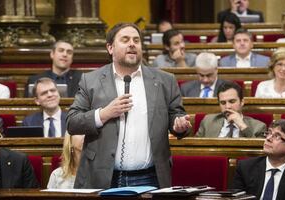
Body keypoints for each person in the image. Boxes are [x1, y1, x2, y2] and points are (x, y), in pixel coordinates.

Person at [66, 23, 192, 189]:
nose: (132, 44)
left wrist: (179, 125)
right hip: (102, 176)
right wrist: (104, 113)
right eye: (125, 40)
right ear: (110, 48)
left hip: (150, 177)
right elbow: (72, 122)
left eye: (136, 40)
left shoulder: (165, 81)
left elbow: (175, 116)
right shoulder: (91, 81)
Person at [196, 81, 266, 138]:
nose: (227, 106)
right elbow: (195, 149)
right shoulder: (208, 122)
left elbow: (258, 152)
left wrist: (242, 126)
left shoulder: (258, 127)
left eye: (232, 101)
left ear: (242, 102)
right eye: (223, 103)